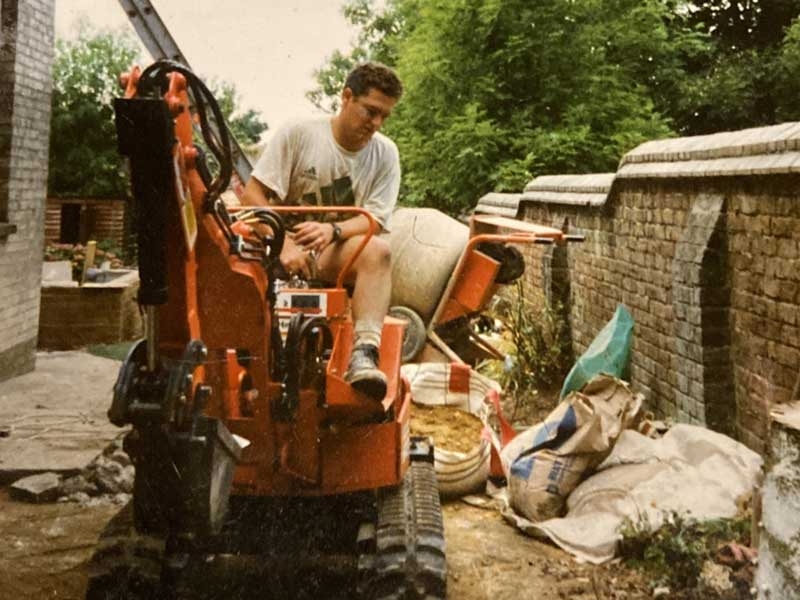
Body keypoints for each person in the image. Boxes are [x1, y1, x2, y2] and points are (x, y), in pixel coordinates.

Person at [241, 62, 403, 402]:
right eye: (370, 111)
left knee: (379, 252)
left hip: (331, 252)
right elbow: (251, 196)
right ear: (346, 97)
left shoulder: (385, 154)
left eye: (384, 117)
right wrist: (282, 243)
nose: (376, 124)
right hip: (277, 246)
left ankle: (364, 354)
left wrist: (334, 230)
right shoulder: (300, 133)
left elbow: (375, 218)